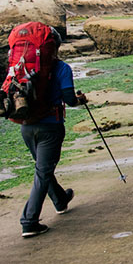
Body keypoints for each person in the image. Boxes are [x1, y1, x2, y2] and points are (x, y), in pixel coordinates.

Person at [20, 30, 88, 238]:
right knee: (43, 171)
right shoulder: (62, 68)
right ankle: (29, 222)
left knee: (43, 168)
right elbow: (69, 98)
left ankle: (60, 200)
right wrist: (80, 100)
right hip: (51, 126)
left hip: (26, 125)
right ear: (56, 47)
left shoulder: (23, 66)